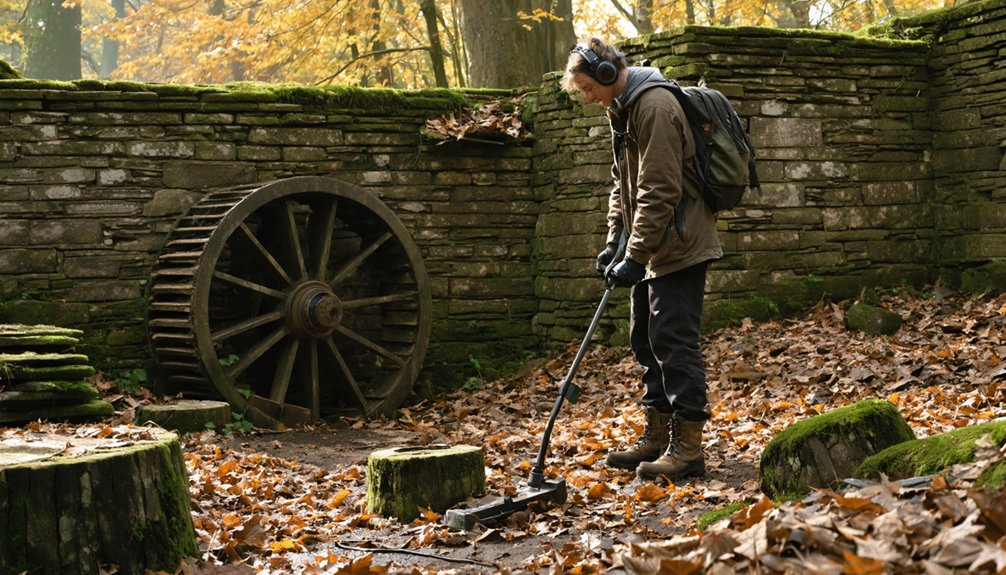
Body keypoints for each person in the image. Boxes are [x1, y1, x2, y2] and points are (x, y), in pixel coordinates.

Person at [560, 38, 723, 482]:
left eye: (589, 88)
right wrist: (615, 239)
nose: (588, 98)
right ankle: (657, 435)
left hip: (680, 243)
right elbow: (623, 184)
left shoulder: (654, 107)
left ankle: (687, 449)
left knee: (673, 341)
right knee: (645, 340)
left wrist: (635, 254)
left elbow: (660, 191)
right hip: (652, 247)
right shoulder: (624, 110)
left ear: (609, 75)